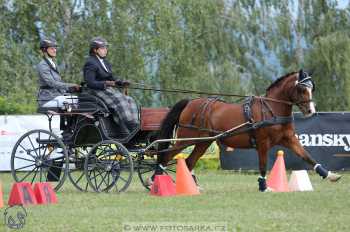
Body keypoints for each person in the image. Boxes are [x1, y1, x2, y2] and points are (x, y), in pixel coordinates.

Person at [83, 37, 139, 135]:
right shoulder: (90, 62)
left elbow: (111, 77)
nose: (106, 50)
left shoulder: (105, 63)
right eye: (103, 48)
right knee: (120, 99)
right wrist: (106, 83)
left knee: (129, 99)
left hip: (106, 89)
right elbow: (90, 82)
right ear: (95, 50)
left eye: (106, 48)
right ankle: (128, 123)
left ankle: (136, 123)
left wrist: (121, 82)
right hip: (95, 90)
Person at [36, 38, 80, 108]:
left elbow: (58, 83)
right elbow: (52, 83)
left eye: (55, 48)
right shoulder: (43, 65)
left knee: (81, 99)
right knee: (77, 101)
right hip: (48, 98)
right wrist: (70, 85)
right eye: (52, 48)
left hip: (56, 96)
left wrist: (71, 89)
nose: (55, 50)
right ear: (44, 50)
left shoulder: (53, 63)